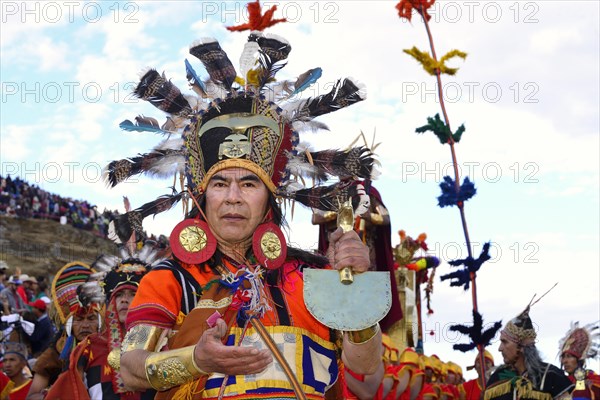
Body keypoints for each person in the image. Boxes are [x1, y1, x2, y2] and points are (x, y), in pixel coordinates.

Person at [105, 10, 383, 399]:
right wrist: (197, 361)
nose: (233, 196)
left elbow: (366, 375)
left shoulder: (309, 277)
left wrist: (353, 288)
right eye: (220, 183)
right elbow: (132, 368)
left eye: (249, 182)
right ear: (201, 195)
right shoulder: (170, 279)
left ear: (272, 194)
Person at [52, 242, 160, 399]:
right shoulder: (89, 346)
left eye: (132, 294)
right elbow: (71, 390)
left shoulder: (161, 344)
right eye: (119, 295)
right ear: (111, 303)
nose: (124, 300)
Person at [312, 181, 403, 334]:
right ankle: (335, 332)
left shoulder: (368, 191)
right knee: (336, 293)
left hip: (365, 252)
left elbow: (385, 217)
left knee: (364, 294)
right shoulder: (330, 192)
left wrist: (368, 216)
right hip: (336, 251)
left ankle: (368, 332)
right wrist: (340, 212)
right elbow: (316, 218)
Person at [26, 262, 101, 400]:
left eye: (91, 318)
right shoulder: (56, 352)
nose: (85, 325)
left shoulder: (109, 349)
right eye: (78, 319)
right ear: (69, 324)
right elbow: (31, 395)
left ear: (100, 322)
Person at [484, 307, 572, 400]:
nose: (500, 348)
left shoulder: (551, 376)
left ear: (521, 346)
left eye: (505, 342)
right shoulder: (498, 377)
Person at [558, 321, 600, 400]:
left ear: (579, 359)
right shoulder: (560, 383)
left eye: (569, 356)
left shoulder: (593, 379)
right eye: (563, 357)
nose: (565, 361)